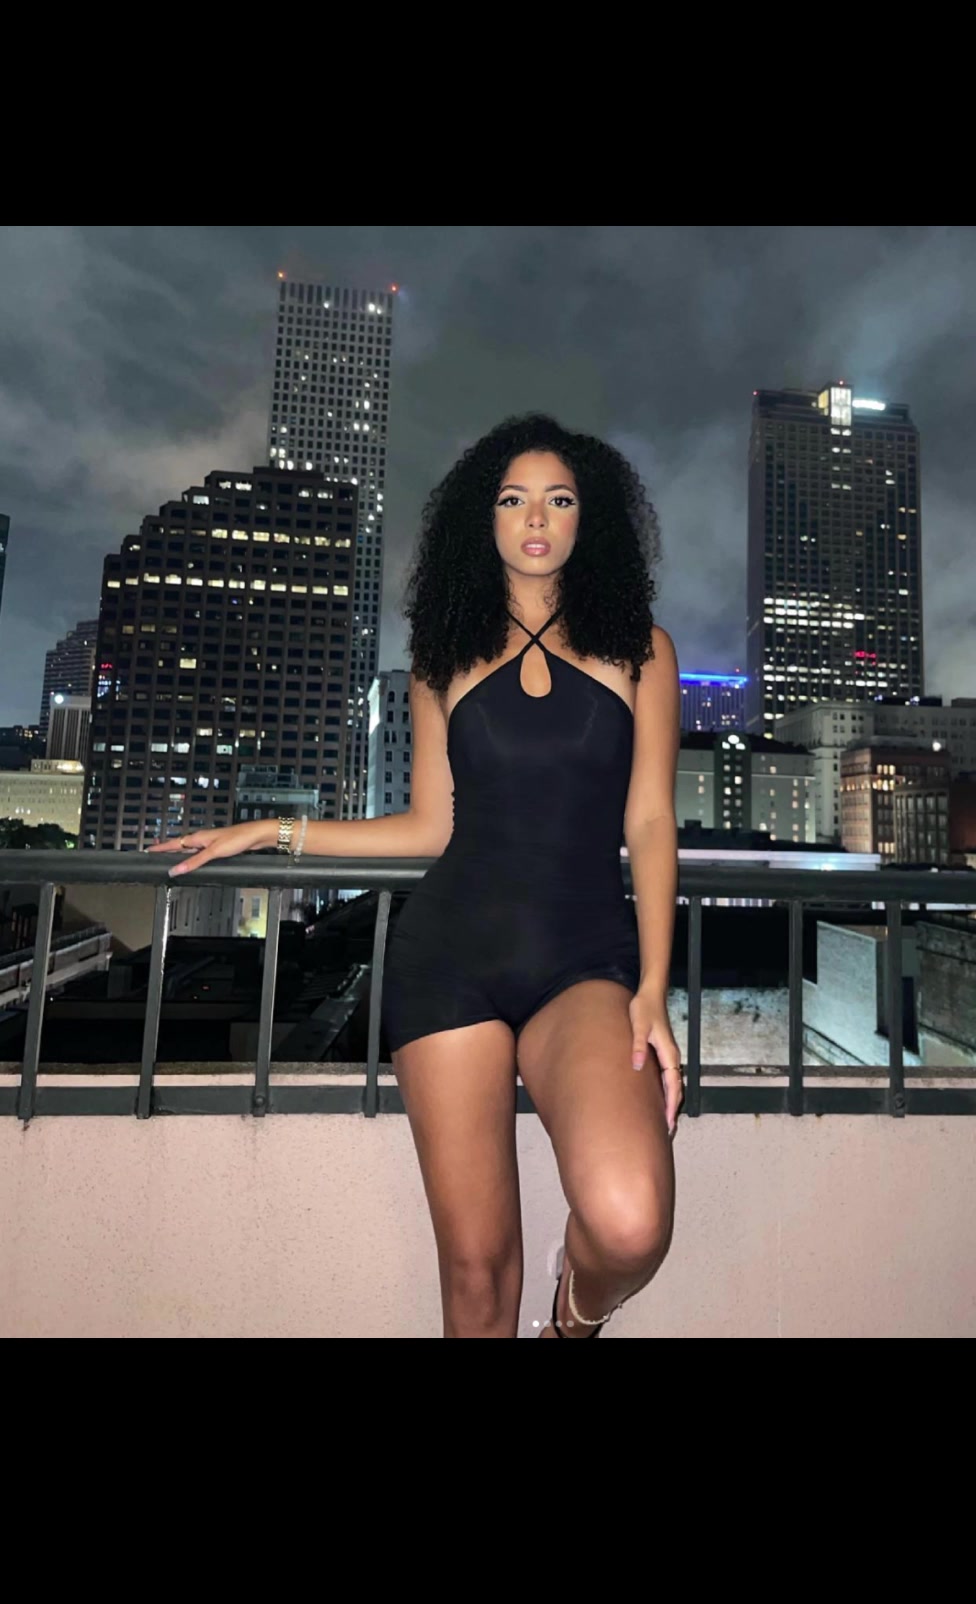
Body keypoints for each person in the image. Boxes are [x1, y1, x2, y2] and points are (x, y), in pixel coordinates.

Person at [149, 414, 682, 1339]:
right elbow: (431, 828)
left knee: (631, 1222)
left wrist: (653, 988)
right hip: (448, 964)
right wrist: (275, 830)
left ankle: (574, 1314)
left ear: (588, 517)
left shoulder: (643, 648)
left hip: (584, 966)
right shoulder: (444, 657)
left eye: (559, 499)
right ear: (484, 518)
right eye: (513, 499)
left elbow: (650, 821)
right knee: (475, 1273)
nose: (535, 518)